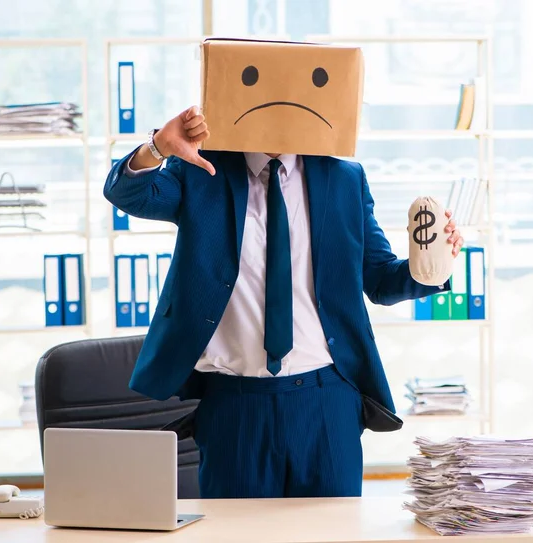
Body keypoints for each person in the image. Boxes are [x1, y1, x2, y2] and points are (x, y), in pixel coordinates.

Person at [103, 105, 464, 499]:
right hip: (233, 405)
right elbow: (127, 192)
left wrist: (432, 265)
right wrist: (158, 148)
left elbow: (379, 280)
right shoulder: (201, 170)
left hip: (326, 401)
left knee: (332, 534)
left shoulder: (344, 179)